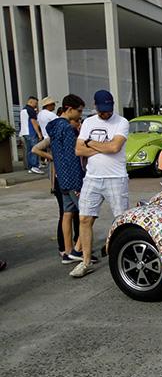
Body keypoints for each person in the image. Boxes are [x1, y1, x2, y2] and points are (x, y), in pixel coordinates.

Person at [72, 90, 129, 278]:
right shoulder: (88, 122)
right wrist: (102, 147)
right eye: (102, 110)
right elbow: (79, 150)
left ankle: (122, 256)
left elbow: (115, 147)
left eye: (108, 109)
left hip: (116, 177)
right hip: (92, 178)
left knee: (121, 220)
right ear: (95, 106)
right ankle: (85, 261)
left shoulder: (121, 122)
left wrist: (91, 142)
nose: (106, 113)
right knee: (84, 219)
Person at [47, 94, 89, 265]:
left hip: (61, 178)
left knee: (67, 213)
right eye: (79, 111)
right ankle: (79, 251)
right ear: (69, 109)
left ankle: (67, 250)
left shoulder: (54, 126)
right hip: (73, 177)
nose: (80, 114)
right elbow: (75, 154)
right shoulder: (68, 129)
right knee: (86, 215)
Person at [19, 96, 44, 174]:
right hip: (31, 132)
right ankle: (34, 166)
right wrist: (39, 134)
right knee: (34, 149)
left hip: (24, 132)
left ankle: (30, 167)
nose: (36, 105)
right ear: (31, 102)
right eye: (35, 103)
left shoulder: (23, 110)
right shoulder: (31, 110)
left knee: (29, 150)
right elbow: (34, 122)